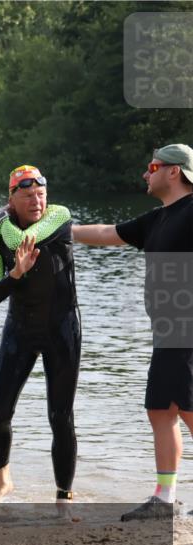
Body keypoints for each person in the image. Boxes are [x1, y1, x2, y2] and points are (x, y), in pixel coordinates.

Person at [71, 144, 193, 521]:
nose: (146, 173)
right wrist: (55, 232)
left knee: (188, 410)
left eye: (152, 166)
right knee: (161, 411)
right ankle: (164, 499)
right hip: (167, 331)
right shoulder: (158, 219)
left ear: (175, 171)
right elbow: (108, 233)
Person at [0, 166, 80, 509]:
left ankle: (64, 496)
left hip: (62, 328)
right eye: (27, 196)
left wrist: (5, 222)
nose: (36, 201)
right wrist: (15, 274)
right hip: (20, 329)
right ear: (12, 199)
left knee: (60, 416)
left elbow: (18, 240)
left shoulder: (60, 217)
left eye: (40, 194)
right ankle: (2, 481)